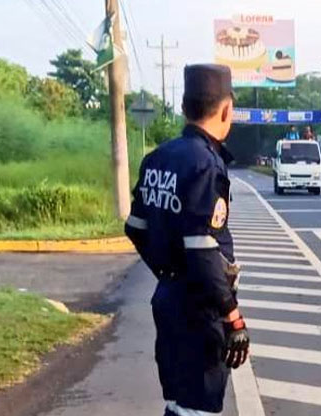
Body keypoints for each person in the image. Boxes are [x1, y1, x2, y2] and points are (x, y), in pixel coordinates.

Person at [124, 64, 249, 416]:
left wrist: (169, 271)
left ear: (183, 106)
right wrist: (233, 317)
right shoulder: (207, 165)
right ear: (227, 110)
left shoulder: (157, 159)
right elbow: (203, 248)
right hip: (200, 309)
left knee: (179, 403)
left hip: (169, 300)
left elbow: (136, 227)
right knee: (199, 407)